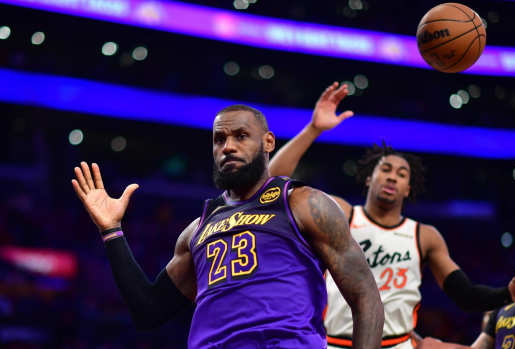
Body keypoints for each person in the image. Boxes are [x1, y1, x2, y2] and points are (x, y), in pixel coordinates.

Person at [71, 104, 384, 348]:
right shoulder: (197, 229)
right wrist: (112, 230)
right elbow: (149, 310)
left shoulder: (303, 203)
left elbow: (365, 295)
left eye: (241, 136)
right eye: (219, 139)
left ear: (268, 142)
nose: (228, 147)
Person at [268, 82, 515, 349]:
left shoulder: (424, 236)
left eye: (401, 174)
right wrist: (314, 129)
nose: (392, 177)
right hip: (334, 342)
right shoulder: (343, 214)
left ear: (408, 189)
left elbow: (463, 294)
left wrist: (506, 294)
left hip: (398, 344)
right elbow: (274, 183)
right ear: (369, 179)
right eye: (385, 169)